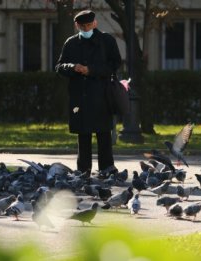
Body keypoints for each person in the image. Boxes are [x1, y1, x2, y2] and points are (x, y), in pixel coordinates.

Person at [55, 10, 122, 176]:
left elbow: (115, 64)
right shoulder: (70, 43)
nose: (86, 29)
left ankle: (107, 169)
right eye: (82, 26)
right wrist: (72, 67)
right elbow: (59, 66)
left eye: (88, 25)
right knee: (83, 134)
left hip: (101, 94)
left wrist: (91, 70)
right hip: (80, 95)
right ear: (77, 26)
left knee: (104, 133)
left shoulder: (107, 40)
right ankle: (83, 170)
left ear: (95, 23)